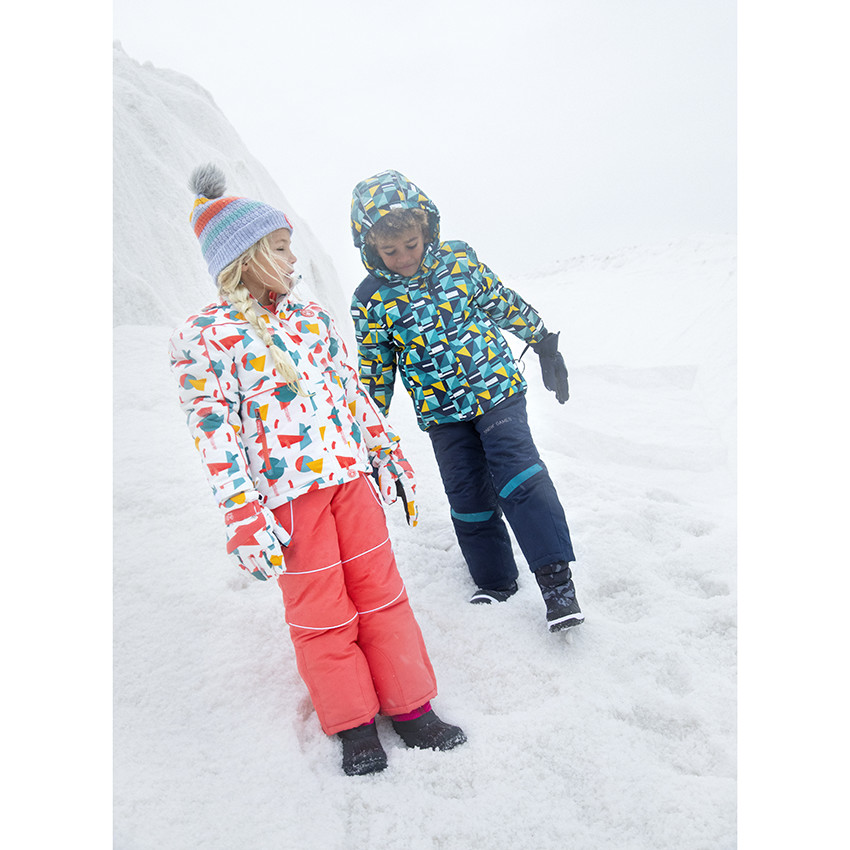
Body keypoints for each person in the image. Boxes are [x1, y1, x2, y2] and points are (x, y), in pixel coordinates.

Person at [169, 164, 466, 776]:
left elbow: (352, 393)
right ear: (245, 256)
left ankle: (411, 706)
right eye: (278, 247)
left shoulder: (312, 321)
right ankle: (354, 722)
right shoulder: (204, 337)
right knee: (321, 611)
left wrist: (385, 452)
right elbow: (214, 434)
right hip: (289, 501)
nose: (290, 256)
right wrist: (242, 513)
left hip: (350, 481)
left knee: (383, 596)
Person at [349, 169, 584, 633]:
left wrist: (542, 340)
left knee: (519, 475)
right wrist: (366, 427)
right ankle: (495, 581)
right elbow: (375, 370)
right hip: (443, 414)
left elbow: (500, 302)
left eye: (411, 245)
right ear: (369, 246)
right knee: (466, 494)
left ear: (426, 229)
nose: (402, 258)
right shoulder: (371, 299)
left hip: (495, 390)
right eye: (389, 251)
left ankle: (557, 582)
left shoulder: (458, 261)